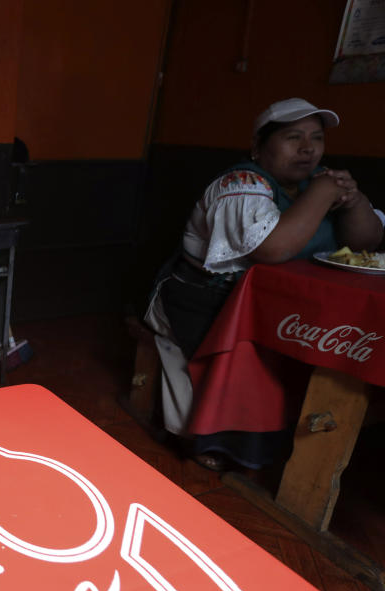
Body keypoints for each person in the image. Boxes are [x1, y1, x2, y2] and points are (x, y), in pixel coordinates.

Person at [145, 97, 384, 470]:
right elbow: (271, 248)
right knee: (246, 362)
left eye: (316, 138)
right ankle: (214, 441)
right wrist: (322, 194)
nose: (308, 148)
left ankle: (297, 439)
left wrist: (354, 201)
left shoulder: (316, 184)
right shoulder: (241, 183)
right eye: (293, 137)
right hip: (202, 298)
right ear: (258, 148)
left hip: (278, 304)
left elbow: (366, 243)